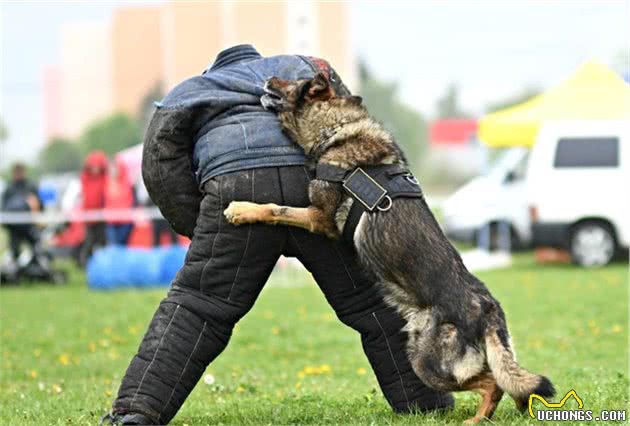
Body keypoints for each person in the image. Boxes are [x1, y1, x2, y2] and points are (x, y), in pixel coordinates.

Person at [102, 45, 452, 425]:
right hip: (317, 185)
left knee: (199, 304)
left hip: (235, 189)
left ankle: (136, 412)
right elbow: (349, 127)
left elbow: (161, 168)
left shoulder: (188, 92)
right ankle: (425, 402)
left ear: (214, 67)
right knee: (373, 300)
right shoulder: (307, 66)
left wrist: (202, 225)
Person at [1, 163, 41, 265]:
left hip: (29, 225)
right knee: (14, 249)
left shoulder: (31, 186)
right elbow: (4, 208)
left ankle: (34, 266)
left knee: (35, 247)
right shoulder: (9, 188)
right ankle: (15, 268)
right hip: (14, 227)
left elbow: (39, 205)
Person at [79, 150, 108, 265]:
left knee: (102, 242)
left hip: (102, 217)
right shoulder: (85, 178)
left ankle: (101, 264)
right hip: (89, 217)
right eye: (93, 166)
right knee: (89, 242)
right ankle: (84, 263)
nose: (95, 169)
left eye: (97, 166)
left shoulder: (104, 178)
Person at [104, 158, 135, 246]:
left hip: (125, 221)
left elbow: (131, 201)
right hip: (111, 221)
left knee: (122, 246)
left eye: (114, 168)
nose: (112, 171)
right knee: (113, 246)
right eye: (110, 168)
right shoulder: (106, 182)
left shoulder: (126, 182)